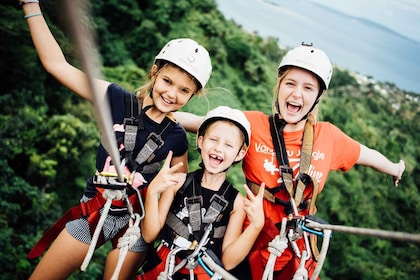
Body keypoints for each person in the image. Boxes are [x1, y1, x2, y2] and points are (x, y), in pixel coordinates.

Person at [174, 43, 406, 279]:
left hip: (296, 247)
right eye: (290, 84)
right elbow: (200, 123)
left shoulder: (328, 137)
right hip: (251, 238)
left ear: (318, 96)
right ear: (279, 85)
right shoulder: (254, 125)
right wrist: (155, 110)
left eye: (308, 88)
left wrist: (395, 168)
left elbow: (367, 155)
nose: (297, 94)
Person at [19, 1, 212, 279]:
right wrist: (30, 6)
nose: (172, 94)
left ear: (192, 96)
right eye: (167, 81)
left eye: (184, 91)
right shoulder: (117, 100)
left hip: (136, 222)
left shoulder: (177, 137)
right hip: (95, 210)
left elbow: (175, 187)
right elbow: (57, 65)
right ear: (154, 72)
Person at [137, 106, 265, 279]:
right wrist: (152, 192)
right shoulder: (178, 182)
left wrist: (256, 225)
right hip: (160, 270)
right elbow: (149, 234)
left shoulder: (237, 203)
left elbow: (228, 261)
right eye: (213, 140)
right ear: (201, 142)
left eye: (228, 145)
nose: (219, 148)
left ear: (240, 153)